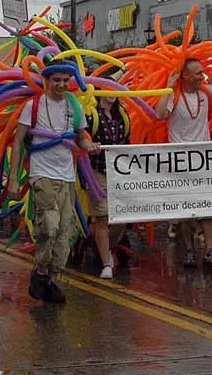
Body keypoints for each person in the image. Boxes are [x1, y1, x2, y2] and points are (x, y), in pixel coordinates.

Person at [7, 61, 100, 303]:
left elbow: (81, 138)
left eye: (65, 80)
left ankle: (50, 280)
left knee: (64, 233)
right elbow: (18, 141)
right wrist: (13, 179)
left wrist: (89, 145)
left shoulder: (74, 106)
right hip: (42, 174)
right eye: (56, 80)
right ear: (47, 80)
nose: (61, 84)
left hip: (66, 176)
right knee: (49, 226)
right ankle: (39, 273)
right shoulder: (33, 106)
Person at [155, 57, 212, 268]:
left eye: (202, 72)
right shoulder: (174, 96)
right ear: (186, 75)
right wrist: (167, 88)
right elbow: (159, 114)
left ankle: (209, 250)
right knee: (185, 210)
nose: (202, 76)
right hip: (180, 162)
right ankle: (189, 250)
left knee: (208, 206)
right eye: (198, 73)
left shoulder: (205, 93)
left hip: (203, 160)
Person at [84, 85, 130, 279]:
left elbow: (127, 143)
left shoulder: (122, 115)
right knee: (102, 217)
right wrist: (89, 146)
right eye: (108, 89)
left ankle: (104, 248)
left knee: (122, 216)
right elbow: (83, 140)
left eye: (115, 89)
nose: (112, 93)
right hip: (98, 172)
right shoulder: (91, 116)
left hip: (118, 173)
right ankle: (106, 264)